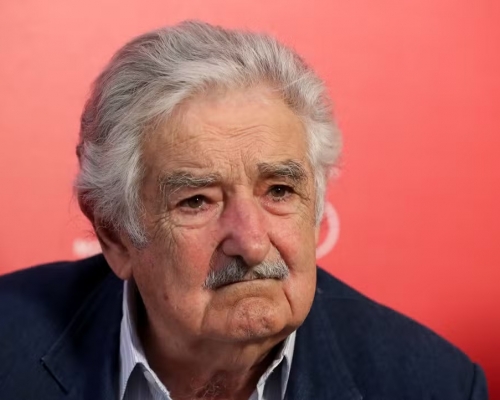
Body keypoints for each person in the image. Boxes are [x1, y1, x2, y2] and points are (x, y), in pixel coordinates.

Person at [0, 20, 488, 400]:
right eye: (197, 201)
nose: (252, 242)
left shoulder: (430, 383)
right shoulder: (9, 342)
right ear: (114, 234)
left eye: (279, 191)